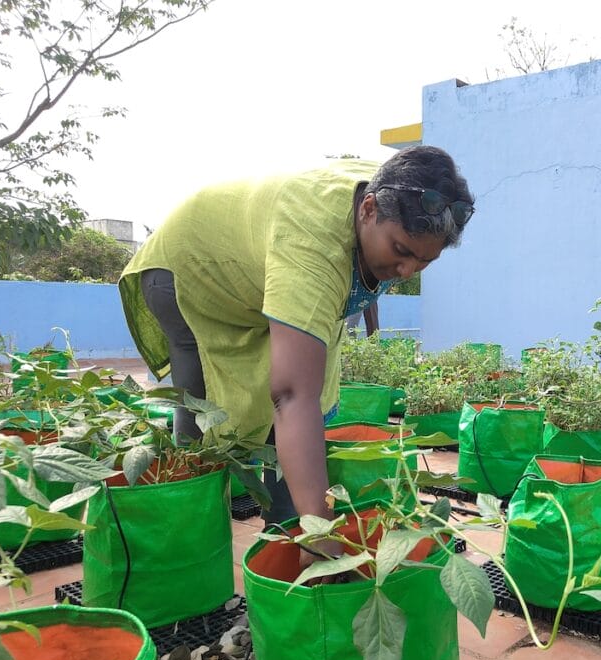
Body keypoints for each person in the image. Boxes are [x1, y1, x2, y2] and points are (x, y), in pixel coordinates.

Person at [118, 146, 474, 565]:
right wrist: (322, 533)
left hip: (255, 267)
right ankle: (185, 544)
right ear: (368, 209)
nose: (408, 270)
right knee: (203, 408)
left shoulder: (395, 192)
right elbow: (292, 396)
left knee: (295, 394)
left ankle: (287, 530)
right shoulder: (311, 244)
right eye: (401, 250)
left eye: (424, 260)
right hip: (190, 267)